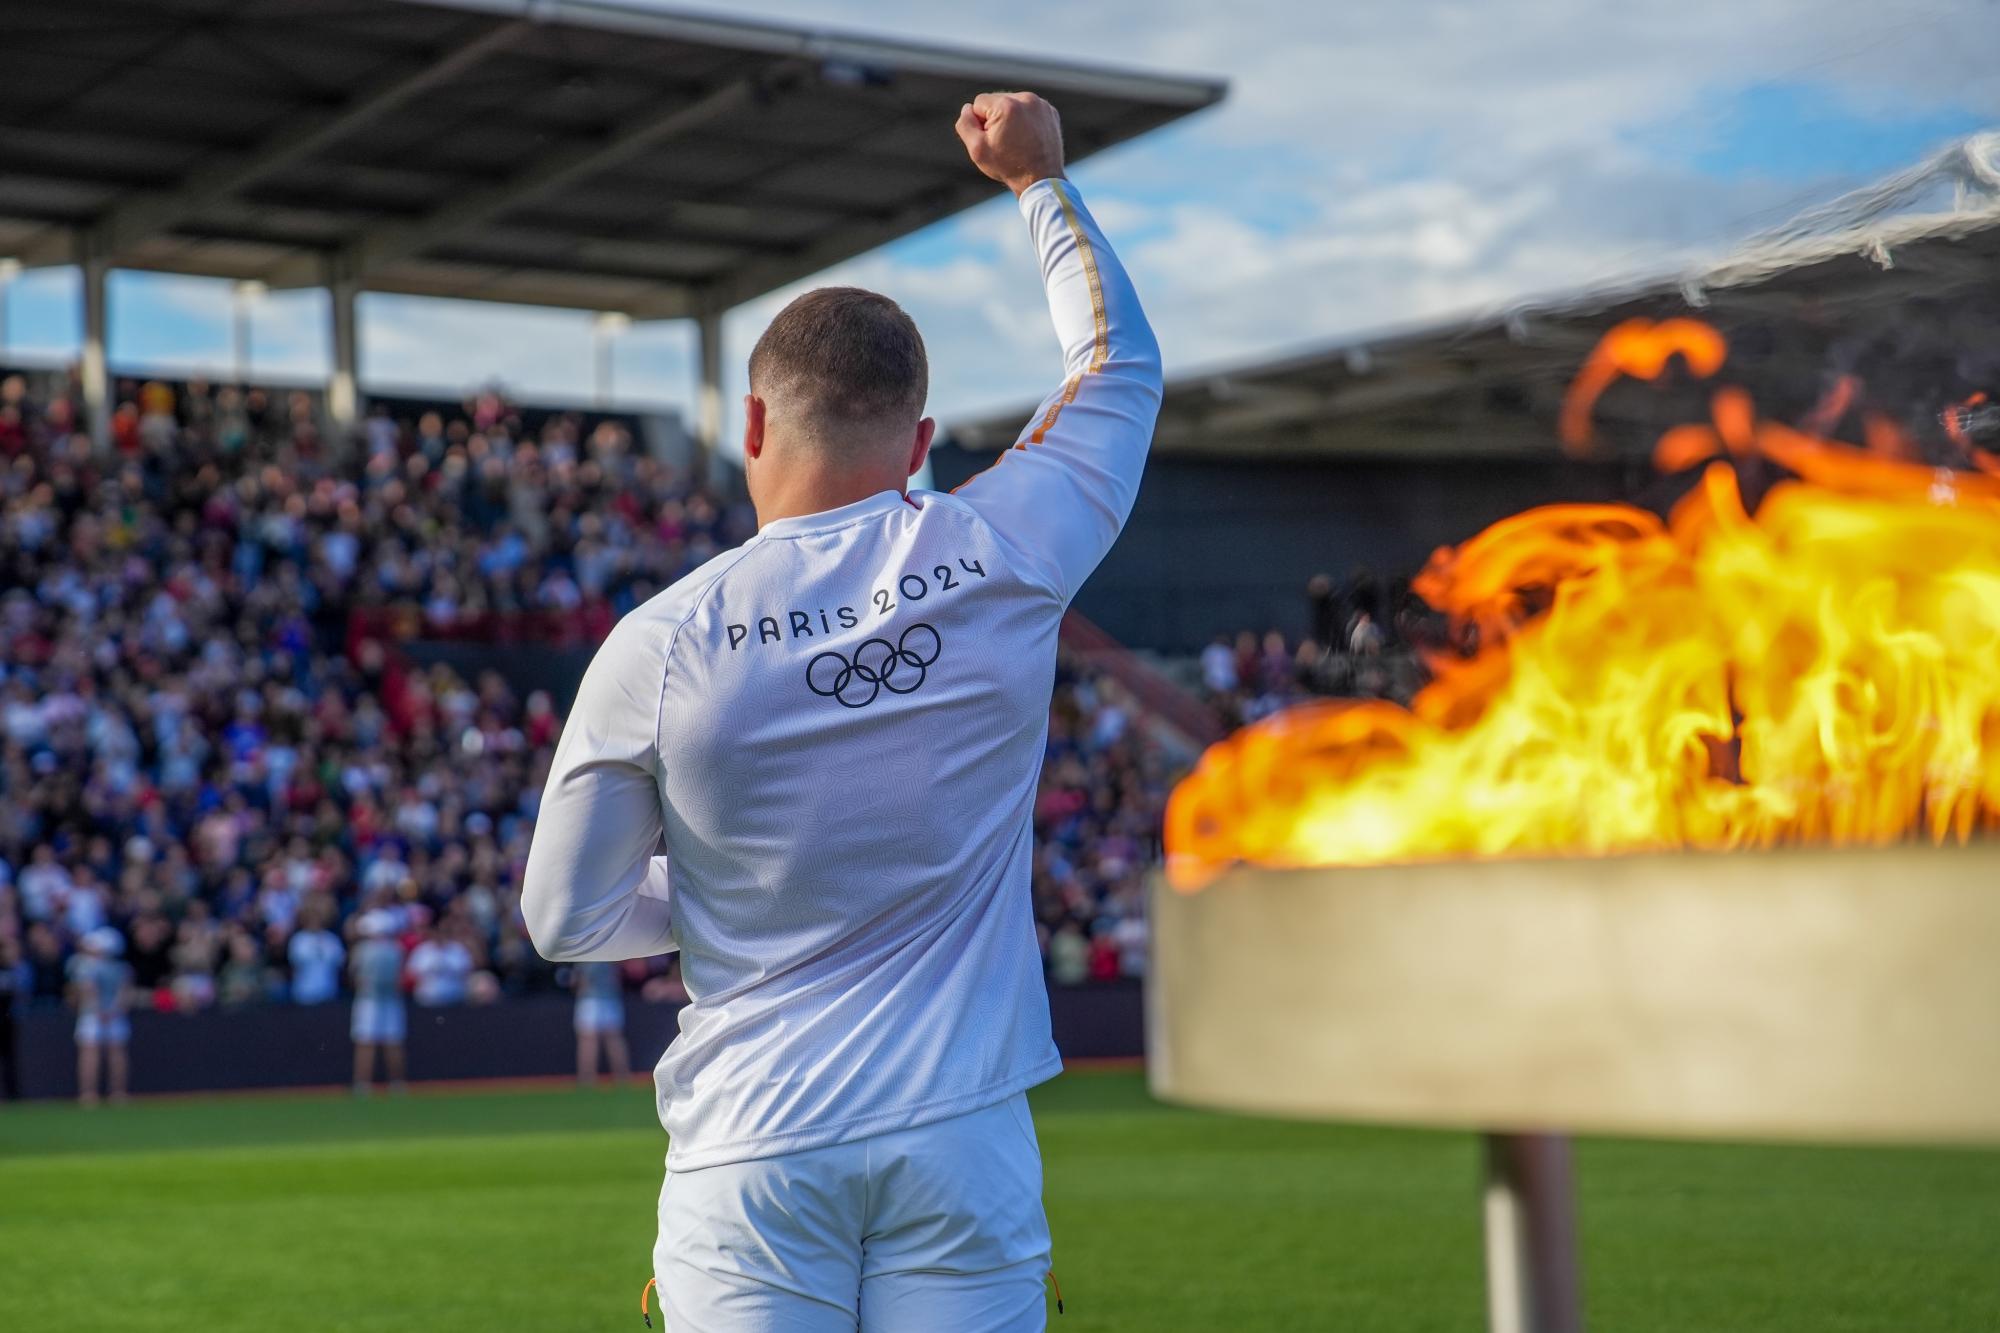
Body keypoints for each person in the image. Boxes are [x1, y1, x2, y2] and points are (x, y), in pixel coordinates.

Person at [521, 90, 1160, 1331]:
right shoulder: (1004, 547)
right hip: (962, 1131)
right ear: (918, 439)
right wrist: (1038, 181)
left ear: (751, 423)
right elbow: (1114, 367)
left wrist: (728, 887)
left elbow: (564, 916)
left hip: (751, 1148)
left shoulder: (657, 641)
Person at [68, 927, 133, 1106]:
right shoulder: (123, 968)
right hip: (113, 1014)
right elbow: (124, 994)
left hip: (93, 1014)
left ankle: (89, 1094)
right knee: (115, 1052)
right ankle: (118, 1093)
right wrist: (112, 1010)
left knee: (92, 1053)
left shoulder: (87, 966)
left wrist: (100, 1010)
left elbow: (89, 990)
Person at [348, 911, 407, 1095]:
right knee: (392, 1042)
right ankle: (397, 1084)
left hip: (368, 1000)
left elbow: (354, 975)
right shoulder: (395, 949)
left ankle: (362, 1085)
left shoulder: (363, 949)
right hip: (390, 999)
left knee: (366, 1041)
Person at [571, 960, 631, 1088]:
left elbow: (578, 979)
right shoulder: (612, 949)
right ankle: (623, 1077)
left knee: (589, 1041)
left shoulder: (584, 950)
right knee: (613, 1039)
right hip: (609, 997)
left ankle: (587, 1079)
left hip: (590, 999)